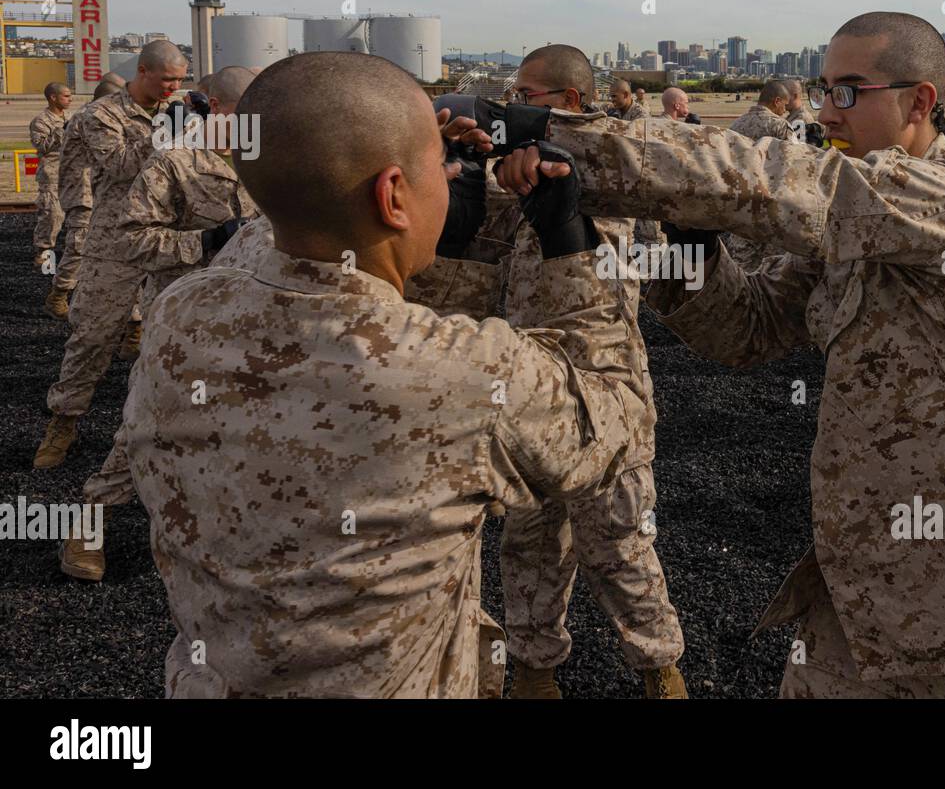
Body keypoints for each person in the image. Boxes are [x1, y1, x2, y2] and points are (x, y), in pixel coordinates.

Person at [495, 11, 945, 698]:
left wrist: (551, 135)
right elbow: (746, 327)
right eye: (821, 89)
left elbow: (774, 179)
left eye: (847, 91)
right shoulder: (856, 230)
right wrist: (654, 237)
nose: (825, 111)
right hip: (861, 589)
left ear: (920, 102)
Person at [123, 51, 650, 698]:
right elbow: (616, 421)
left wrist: (405, 215)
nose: (452, 180)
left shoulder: (180, 316)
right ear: (393, 194)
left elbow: (299, 227)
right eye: (437, 169)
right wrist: (569, 243)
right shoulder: (460, 373)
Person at [469, 44, 685, 699]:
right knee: (529, 542)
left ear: (567, 102)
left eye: (526, 96)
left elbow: (602, 266)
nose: (515, 105)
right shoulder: (528, 175)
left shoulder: (603, 172)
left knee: (618, 542)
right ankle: (535, 673)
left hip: (602, 394)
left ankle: (660, 670)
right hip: (532, 390)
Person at [57, 67, 261, 582]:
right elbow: (131, 239)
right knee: (149, 423)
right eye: (253, 111)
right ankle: (91, 521)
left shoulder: (273, 164)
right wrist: (205, 242)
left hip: (253, 319)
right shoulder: (174, 160)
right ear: (220, 109)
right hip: (186, 321)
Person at [33, 41, 187, 471]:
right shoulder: (101, 115)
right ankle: (63, 420)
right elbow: (120, 166)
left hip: (166, 237)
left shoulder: (173, 112)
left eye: (179, 80)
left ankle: (168, 428)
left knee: (173, 334)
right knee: (93, 336)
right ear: (143, 71)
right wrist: (168, 133)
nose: (174, 87)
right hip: (114, 241)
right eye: (167, 79)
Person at [45, 75, 127, 320]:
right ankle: (59, 294)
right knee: (79, 246)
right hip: (83, 192)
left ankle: (98, 298)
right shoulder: (89, 119)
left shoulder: (100, 117)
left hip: (99, 191)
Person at [724, 80, 798, 270]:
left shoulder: (735, 125)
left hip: (740, 206)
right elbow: (794, 166)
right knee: (771, 267)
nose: (785, 110)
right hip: (770, 208)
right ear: (776, 101)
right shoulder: (780, 126)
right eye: (784, 105)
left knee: (740, 265)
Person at [30, 82, 74, 270]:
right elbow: (41, 146)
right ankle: (44, 251)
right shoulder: (41, 121)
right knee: (52, 214)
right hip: (52, 173)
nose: (70, 99)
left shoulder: (71, 117)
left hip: (73, 172)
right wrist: (61, 130)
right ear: (53, 98)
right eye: (66, 96)